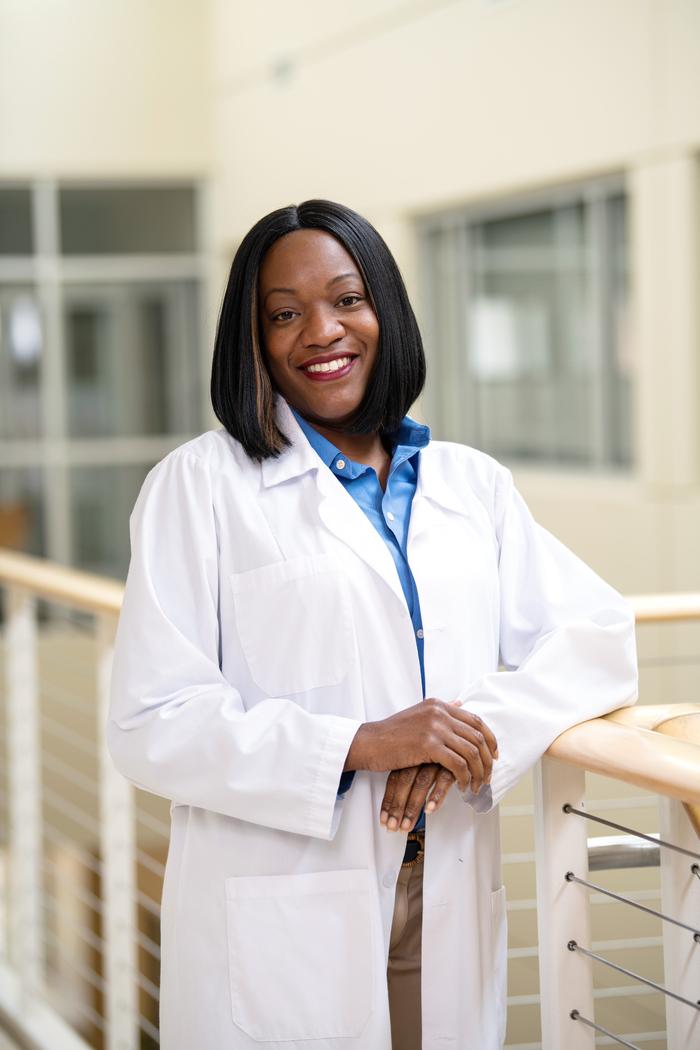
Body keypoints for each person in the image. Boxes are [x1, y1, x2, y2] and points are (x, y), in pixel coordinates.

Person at [107, 199, 638, 1050]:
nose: (321, 331)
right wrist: (360, 743)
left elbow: (600, 638)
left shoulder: (472, 486)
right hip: (288, 902)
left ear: (385, 309)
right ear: (253, 339)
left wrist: (469, 733)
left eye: (347, 299)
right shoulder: (199, 487)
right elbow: (150, 724)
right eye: (284, 313)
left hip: (445, 893)